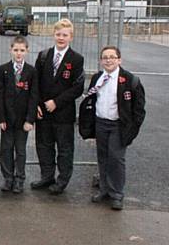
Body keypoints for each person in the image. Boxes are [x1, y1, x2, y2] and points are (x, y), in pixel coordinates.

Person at [89, 46, 146, 210]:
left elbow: (139, 109)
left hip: (118, 125)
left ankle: (117, 194)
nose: (108, 60)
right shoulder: (97, 78)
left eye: (112, 57)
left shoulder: (130, 80)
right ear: (101, 61)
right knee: (103, 157)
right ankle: (104, 189)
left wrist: (132, 129)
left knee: (116, 159)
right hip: (101, 123)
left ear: (119, 60)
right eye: (105, 57)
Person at [32, 19, 84, 195]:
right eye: (58, 34)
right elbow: (35, 83)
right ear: (53, 35)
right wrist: (37, 104)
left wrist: (57, 102)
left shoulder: (76, 59)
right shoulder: (43, 56)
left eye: (65, 35)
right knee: (44, 146)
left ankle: (62, 181)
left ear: (71, 37)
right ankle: (47, 176)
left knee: (64, 149)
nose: (61, 38)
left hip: (63, 113)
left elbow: (77, 88)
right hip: (44, 113)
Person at [0, 36, 39, 194]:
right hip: (7, 119)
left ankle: (19, 179)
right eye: (16, 50)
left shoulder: (31, 71)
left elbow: (34, 97)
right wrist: (0, 118)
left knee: (20, 150)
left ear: (27, 51)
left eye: (22, 50)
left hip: (23, 120)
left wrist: (30, 120)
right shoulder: (2, 70)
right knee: (6, 149)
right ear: (10, 50)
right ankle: (8, 178)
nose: (18, 54)